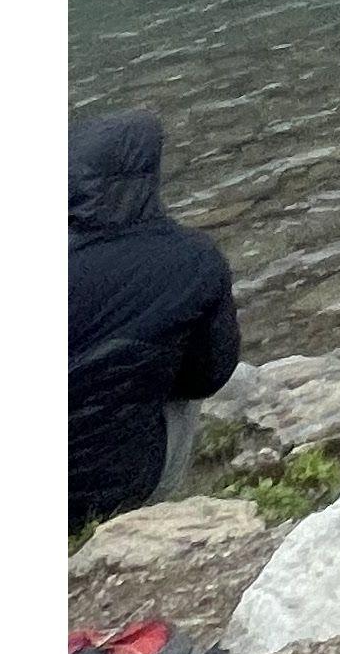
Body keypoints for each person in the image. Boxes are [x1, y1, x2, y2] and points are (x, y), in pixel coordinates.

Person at [69, 112, 242, 539]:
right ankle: (151, 513)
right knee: (179, 377)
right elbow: (209, 376)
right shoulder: (194, 259)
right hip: (124, 485)